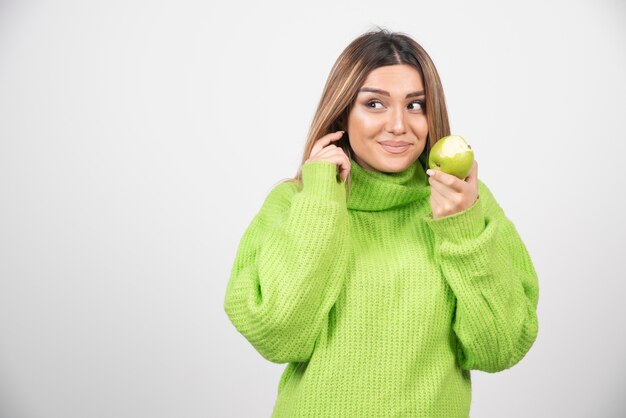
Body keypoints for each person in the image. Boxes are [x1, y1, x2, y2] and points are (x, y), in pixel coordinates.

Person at [223, 27, 539, 418]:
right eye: (374, 104)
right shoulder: (295, 202)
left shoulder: (465, 202)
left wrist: (462, 228)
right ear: (342, 113)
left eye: (416, 105)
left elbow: (500, 348)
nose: (398, 125)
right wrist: (322, 200)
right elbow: (277, 334)